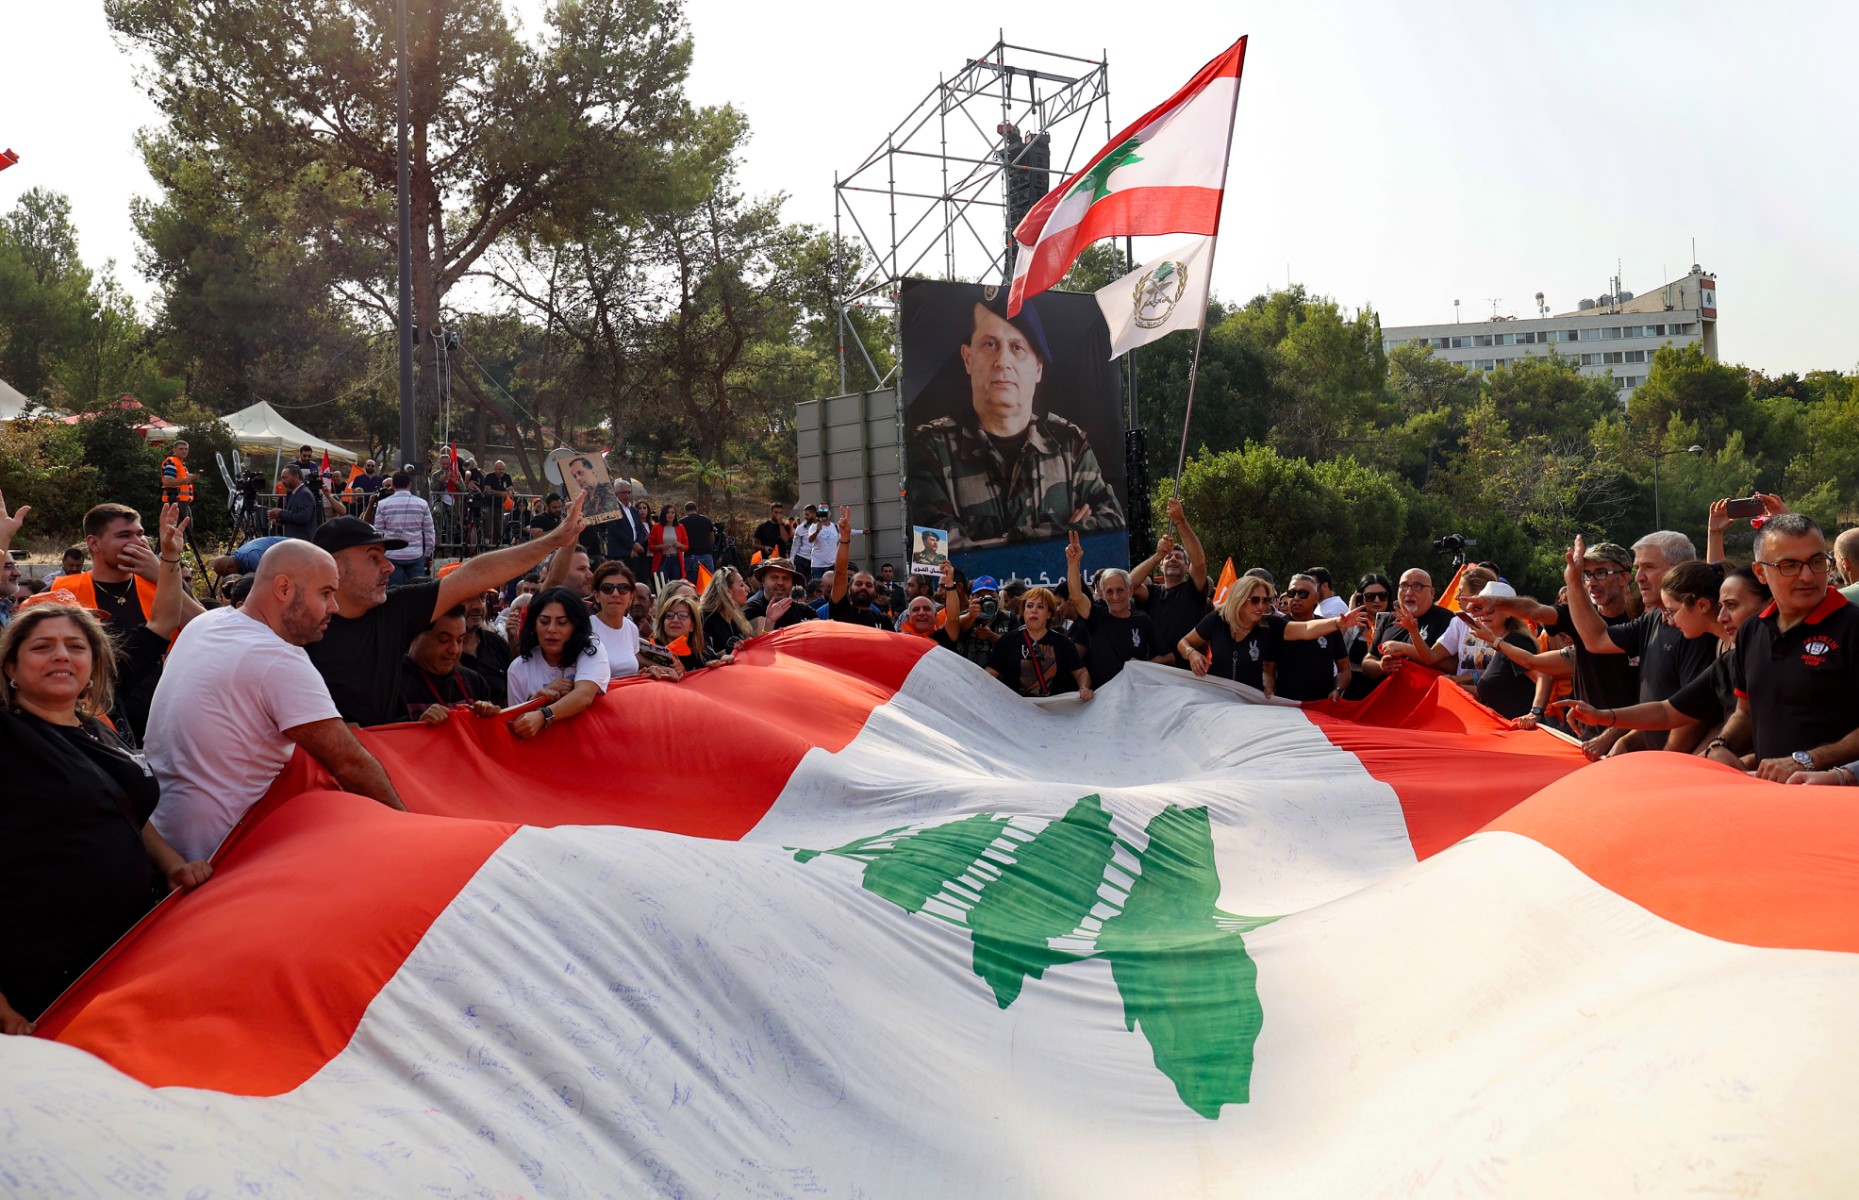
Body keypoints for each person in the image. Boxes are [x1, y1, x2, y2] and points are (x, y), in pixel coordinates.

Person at [0, 598, 212, 1031]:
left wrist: (171, 864)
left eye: (76, 647)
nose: (62, 655)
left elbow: (122, 808)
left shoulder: (94, 728)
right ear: (10, 669)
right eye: (42, 647)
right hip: (38, 971)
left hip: (121, 950)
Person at [147, 539, 405, 864]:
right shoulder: (279, 659)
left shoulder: (205, 624)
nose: (334, 607)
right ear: (283, 588)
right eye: (325, 593)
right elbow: (350, 764)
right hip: (220, 855)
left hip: (163, 838)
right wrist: (410, 829)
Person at [304, 496, 587, 727]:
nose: (389, 567)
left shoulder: (393, 610)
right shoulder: (294, 628)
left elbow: (474, 575)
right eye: (373, 558)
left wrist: (554, 540)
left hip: (384, 764)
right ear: (335, 566)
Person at [907, 294, 1125, 547]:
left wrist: (1009, 540)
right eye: (990, 344)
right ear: (968, 358)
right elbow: (931, 552)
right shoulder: (930, 448)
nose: (1002, 361)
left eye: (1017, 347)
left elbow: (1112, 528)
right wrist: (1067, 533)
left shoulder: (1070, 446)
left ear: (1038, 367)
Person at [1702, 513, 1859, 781]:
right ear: (1761, 573)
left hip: (1838, 804)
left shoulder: (1853, 626)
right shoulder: (1752, 630)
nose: (1807, 576)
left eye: (1817, 561)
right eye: (1789, 565)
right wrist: (1721, 745)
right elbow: (1745, 711)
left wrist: (1808, 760)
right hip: (1772, 802)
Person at [1467, 541, 1645, 758]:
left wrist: (1613, 735)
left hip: (1635, 742)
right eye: (1586, 575)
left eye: (1600, 573)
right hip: (1587, 737)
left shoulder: (1642, 623)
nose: (1591, 582)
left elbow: (1653, 698)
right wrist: (1494, 603)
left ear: (1624, 577)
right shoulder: (1578, 616)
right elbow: (1535, 612)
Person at [1549, 561, 1757, 744]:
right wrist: (1603, 717)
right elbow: (1668, 710)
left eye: (1671, 611)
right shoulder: (1725, 653)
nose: (1668, 619)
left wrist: (1701, 756)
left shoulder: (1754, 648)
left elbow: (1699, 717)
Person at [48, 502, 206, 740]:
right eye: (124, 535)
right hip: (97, 726)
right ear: (94, 543)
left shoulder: (165, 583)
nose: (137, 542)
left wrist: (160, 575)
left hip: (167, 720)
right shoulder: (64, 590)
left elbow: (209, 630)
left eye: (140, 534)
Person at [1550, 531, 1715, 751]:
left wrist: (1667, 762)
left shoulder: (1697, 630)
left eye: (1648, 567)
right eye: (1638, 568)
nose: (1638, 578)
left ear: (1680, 568)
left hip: (1683, 772)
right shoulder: (1653, 618)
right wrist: (1573, 581)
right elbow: (1596, 640)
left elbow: (1690, 713)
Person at [1180, 574, 1362, 697]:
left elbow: (1306, 629)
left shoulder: (1270, 624)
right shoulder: (1217, 620)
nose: (1261, 606)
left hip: (1252, 702)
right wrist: (1192, 653)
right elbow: (1184, 642)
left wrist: (1337, 623)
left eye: (1265, 600)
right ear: (1239, 599)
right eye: (1255, 600)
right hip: (1216, 697)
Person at [507, 586, 610, 737]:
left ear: (575, 626)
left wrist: (543, 715)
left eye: (561, 622)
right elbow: (515, 723)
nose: (551, 629)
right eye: (544, 621)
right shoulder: (518, 668)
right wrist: (538, 699)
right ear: (534, 625)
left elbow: (584, 696)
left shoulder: (591, 648)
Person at [1061, 531, 1162, 687]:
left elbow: (1168, 657)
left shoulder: (1142, 621)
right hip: (1103, 700)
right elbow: (1076, 596)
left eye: (1120, 590)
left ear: (1130, 591)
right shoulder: (1096, 617)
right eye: (1109, 591)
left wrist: (1143, 665)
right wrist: (1073, 564)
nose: (1115, 596)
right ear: (1102, 593)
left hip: (1137, 696)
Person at [1132, 498, 1210, 668]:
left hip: (1191, 671)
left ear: (1186, 566)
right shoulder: (1152, 593)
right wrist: (1158, 555)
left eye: (1179, 557)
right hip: (1158, 672)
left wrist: (1179, 521)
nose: (1173, 559)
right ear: (1161, 567)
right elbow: (1129, 585)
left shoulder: (1193, 589)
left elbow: (1199, 563)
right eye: (1168, 557)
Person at [398, 605, 502, 724]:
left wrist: (488, 714)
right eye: (444, 640)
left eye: (460, 641)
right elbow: (378, 736)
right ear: (415, 636)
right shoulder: (389, 684)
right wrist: (417, 726)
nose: (455, 650)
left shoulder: (474, 682)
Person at [984, 585, 1092, 699]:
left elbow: (1081, 673)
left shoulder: (1063, 642)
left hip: (1054, 712)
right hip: (1016, 712)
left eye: (1040, 607)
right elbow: (989, 674)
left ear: (1049, 614)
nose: (1033, 610)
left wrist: (1084, 688)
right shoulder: (1008, 641)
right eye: (1029, 606)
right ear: (1023, 611)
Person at [1359, 568, 1456, 688]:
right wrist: (1381, 666)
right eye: (1404, 586)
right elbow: (1367, 662)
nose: (1409, 592)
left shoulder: (1447, 620)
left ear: (1432, 592)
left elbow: (1453, 666)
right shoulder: (1389, 619)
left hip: (1428, 699)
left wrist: (1407, 649)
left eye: (1417, 586)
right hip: (1389, 699)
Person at [1272, 574, 1353, 702]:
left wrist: (1337, 689)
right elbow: (1267, 669)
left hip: (1321, 705)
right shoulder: (1276, 627)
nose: (1296, 598)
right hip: (1285, 705)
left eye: (1303, 593)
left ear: (1316, 598)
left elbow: (1344, 669)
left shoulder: (1329, 627)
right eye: (1292, 593)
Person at [826, 507, 891, 630]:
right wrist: (844, 538)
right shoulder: (840, 609)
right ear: (849, 588)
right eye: (859, 583)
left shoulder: (883, 621)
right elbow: (840, 572)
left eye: (868, 585)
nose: (863, 588)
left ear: (875, 592)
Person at [652, 591, 728, 672]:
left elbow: (715, 662)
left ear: (692, 625)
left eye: (682, 615)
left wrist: (720, 661)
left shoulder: (702, 650)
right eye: (669, 615)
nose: (675, 620)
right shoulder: (652, 649)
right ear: (663, 622)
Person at [743, 557, 816, 633]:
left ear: (793, 583)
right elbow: (760, 641)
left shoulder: (805, 610)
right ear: (763, 581)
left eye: (786, 578)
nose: (780, 583)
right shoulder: (751, 610)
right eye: (774, 577)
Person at [702, 566, 757, 654]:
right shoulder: (706, 618)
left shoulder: (737, 616)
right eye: (742, 585)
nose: (748, 589)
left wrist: (770, 621)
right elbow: (706, 659)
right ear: (727, 591)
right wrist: (727, 651)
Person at [607, 481, 652, 580]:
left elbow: (640, 530)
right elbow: (614, 530)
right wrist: (632, 544)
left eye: (629, 492)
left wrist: (636, 546)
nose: (627, 495)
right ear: (616, 493)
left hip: (634, 554)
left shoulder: (633, 510)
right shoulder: (612, 509)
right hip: (619, 554)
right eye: (624, 492)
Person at [269, 464, 319, 541]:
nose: (282, 481)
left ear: (296, 477)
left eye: (284, 478)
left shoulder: (304, 493)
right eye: (282, 478)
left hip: (302, 542)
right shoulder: (296, 492)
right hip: (295, 541)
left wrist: (281, 513)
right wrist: (279, 518)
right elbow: (294, 515)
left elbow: (304, 517)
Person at [565, 455, 623, 520]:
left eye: (580, 473)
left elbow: (606, 514)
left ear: (593, 471)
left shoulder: (606, 489)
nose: (578, 479)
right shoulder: (582, 499)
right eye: (575, 476)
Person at [208, 535, 289, 580]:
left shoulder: (251, 558)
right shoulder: (236, 561)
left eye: (225, 575)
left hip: (292, 551)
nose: (227, 577)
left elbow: (266, 580)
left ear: (230, 568)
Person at [159, 439, 195, 526]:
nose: (184, 451)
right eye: (181, 449)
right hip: (174, 500)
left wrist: (191, 478)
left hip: (182, 501)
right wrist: (187, 479)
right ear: (174, 450)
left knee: (186, 528)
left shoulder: (181, 465)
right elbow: (167, 482)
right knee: (178, 529)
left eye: (186, 449)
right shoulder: (172, 462)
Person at [478, 460, 513, 547]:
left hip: (501, 505)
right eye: (499, 469)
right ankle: (486, 541)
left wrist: (509, 492)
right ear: (495, 468)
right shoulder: (489, 476)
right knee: (489, 522)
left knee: (499, 525)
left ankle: (497, 544)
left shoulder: (507, 477)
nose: (501, 471)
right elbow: (487, 490)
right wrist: (500, 493)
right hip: (489, 504)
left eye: (503, 469)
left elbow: (511, 488)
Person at [650, 503, 688, 582]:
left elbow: (686, 547)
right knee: (661, 584)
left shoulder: (680, 527)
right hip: (662, 559)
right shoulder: (656, 527)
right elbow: (650, 547)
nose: (670, 515)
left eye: (672, 512)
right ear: (664, 514)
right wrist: (661, 546)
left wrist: (679, 545)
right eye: (668, 513)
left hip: (676, 559)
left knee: (676, 585)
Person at [680, 501, 717, 577]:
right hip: (707, 555)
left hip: (690, 556)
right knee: (709, 583)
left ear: (685, 511)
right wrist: (710, 547)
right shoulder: (706, 520)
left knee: (693, 585)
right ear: (696, 509)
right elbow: (712, 537)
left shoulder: (681, 522)